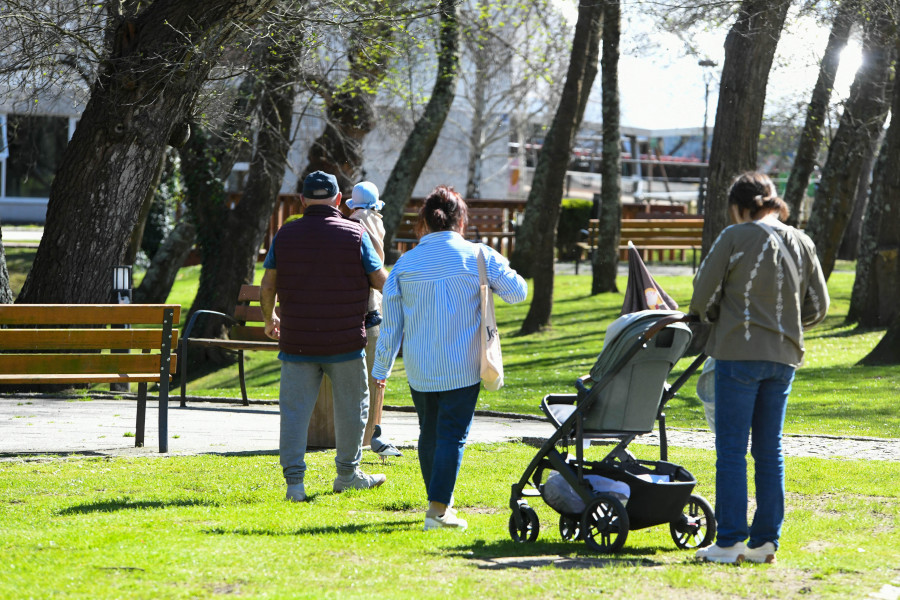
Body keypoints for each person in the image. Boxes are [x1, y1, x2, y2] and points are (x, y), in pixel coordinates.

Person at [690, 171, 829, 564]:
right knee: (770, 451)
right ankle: (765, 542)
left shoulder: (734, 237)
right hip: (783, 357)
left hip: (738, 353)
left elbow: (703, 297)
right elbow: (819, 306)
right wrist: (785, 327)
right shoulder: (802, 241)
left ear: (738, 205)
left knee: (732, 450)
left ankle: (731, 540)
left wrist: (717, 315)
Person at [371, 185, 528, 531]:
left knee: (429, 432)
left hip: (420, 366)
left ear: (423, 222)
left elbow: (391, 324)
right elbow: (518, 292)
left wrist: (381, 368)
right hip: (463, 365)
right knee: (452, 436)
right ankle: (438, 512)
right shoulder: (478, 256)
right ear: (461, 220)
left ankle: (438, 505)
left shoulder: (405, 264)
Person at [260, 170, 389, 502]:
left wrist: (268, 317)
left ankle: (294, 485)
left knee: (294, 411)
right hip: (344, 342)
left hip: (297, 342)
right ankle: (347, 475)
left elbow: (268, 284)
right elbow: (379, 280)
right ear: (337, 200)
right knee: (353, 407)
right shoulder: (354, 232)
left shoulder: (285, 236)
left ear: (302, 201)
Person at [346, 181, 401, 459]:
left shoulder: (351, 224)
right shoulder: (375, 223)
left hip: (351, 313)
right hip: (371, 311)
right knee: (375, 378)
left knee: (357, 383)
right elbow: (378, 274)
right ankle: (372, 434)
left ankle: (362, 437)